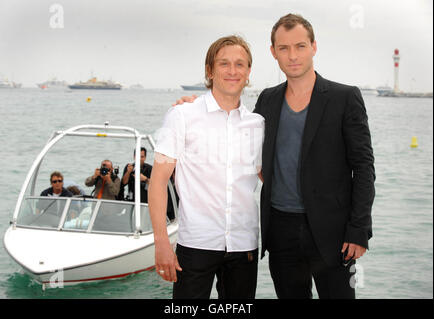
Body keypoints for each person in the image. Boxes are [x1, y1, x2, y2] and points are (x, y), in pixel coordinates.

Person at [174, 14, 375, 299]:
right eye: (284, 48)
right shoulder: (267, 100)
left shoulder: (344, 97)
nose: (292, 56)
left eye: (300, 46)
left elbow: (364, 167)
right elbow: (239, 131)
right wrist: (193, 105)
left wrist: (359, 229)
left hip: (334, 233)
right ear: (273, 52)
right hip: (281, 231)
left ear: (314, 47)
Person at [149, 35, 265, 299]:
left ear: (248, 72)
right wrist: (162, 244)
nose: (232, 71)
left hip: (244, 245)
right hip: (195, 243)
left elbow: (268, 177)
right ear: (210, 70)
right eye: (224, 63)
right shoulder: (182, 116)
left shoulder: (257, 124)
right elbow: (158, 181)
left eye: (240, 64)